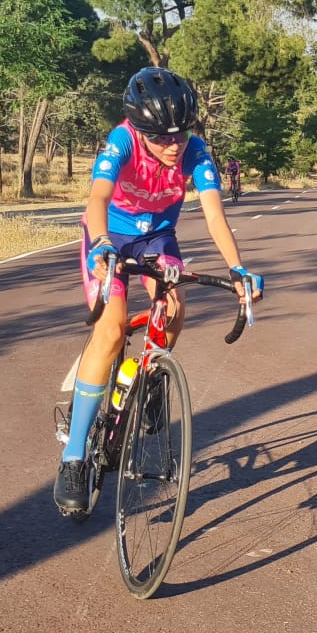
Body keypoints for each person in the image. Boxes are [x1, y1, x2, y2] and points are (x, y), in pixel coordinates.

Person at [52, 67, 263, 518]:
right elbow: (96, 200)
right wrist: (103, 243)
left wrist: (238, 269)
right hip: (108, 236)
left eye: (181, 135)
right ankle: (73, 459)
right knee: (109, 331)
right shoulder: (121, 141)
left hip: (156, 240)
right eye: (161, 138)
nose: (173, 146)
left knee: (174, 307)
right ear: (139, 130)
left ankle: (142, 379)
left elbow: (213, 216)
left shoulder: (197, 153)